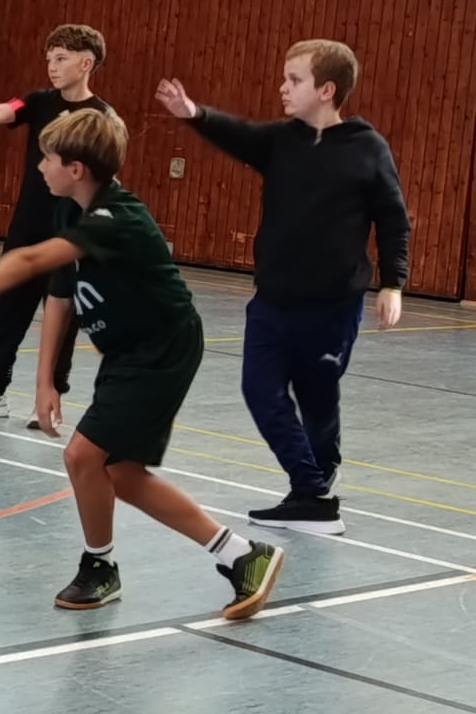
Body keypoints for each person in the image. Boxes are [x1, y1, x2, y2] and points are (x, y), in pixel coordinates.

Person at [0, 109, 286, 619]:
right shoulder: (70, 211)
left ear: (76, 169)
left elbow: (29, 260)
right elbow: (60, 296)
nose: (39, 166)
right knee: (123, 474)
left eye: (47, 158)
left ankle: (100, 566)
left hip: (161, 351)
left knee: (82, 457)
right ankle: (241, 555)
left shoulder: (117, 218)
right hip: (127, 351)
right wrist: (45, 381)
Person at [157, 39, 409, 535]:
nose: (283, 88)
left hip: (332, 306)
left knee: (318, 397)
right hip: (272, 301)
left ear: (327, 90)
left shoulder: (367, 148)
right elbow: (238, 133)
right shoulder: (280, 140)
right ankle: (313, 492)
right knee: (259, 390)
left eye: (294, 80)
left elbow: (393, 219)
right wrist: (194, 113)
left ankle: (318, 480)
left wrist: (393, 283)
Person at [0, 24, 112, 427]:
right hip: (27, 228)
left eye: (62, 59)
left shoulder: (101, 118)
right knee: (5, 308)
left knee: (63, 316)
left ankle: (50, 398)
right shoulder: (37, 101)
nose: (52, 66)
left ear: (85, 63)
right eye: (49, 58)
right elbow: (6, 110)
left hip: (70, 234)